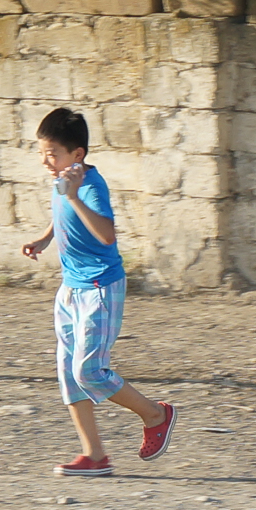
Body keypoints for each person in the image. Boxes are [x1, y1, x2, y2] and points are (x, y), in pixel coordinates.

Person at [20, 108, 175, 477]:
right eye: (42, 152)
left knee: (89, 371)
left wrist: (73, 196)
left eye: (52, 153)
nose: (46, 161)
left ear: (78, 154)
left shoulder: (88, 186)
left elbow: (106, 234)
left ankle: (156, 414)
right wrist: (45, 238)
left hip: (100, 288)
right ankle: (94, 456)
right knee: (68, 373)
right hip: (71, 290)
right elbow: (62, 217)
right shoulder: (64, 179)